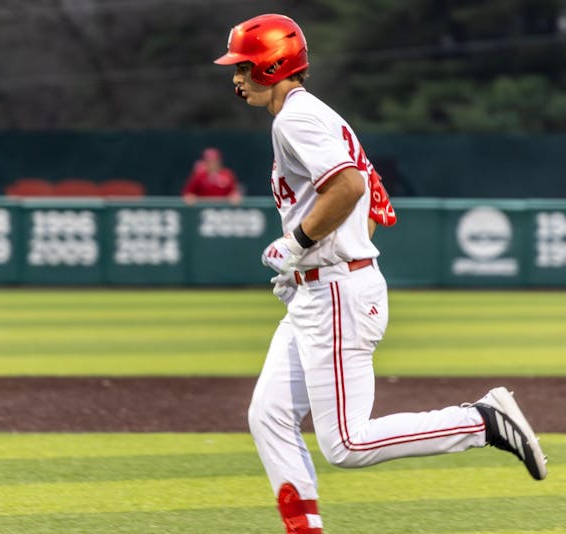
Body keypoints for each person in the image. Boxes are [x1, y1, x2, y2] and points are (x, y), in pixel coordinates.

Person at [214, 14, 546, 534]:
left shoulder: (295, 119)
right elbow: (374, 201)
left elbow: (346, 186)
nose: (236, 77)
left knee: (346, 444)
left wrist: (299, 244)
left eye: (243, 66)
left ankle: (481, 421)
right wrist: (312, 258)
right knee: (269, 416)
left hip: (337, 296)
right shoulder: (315, 115)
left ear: (272, 64)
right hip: (324, 289)